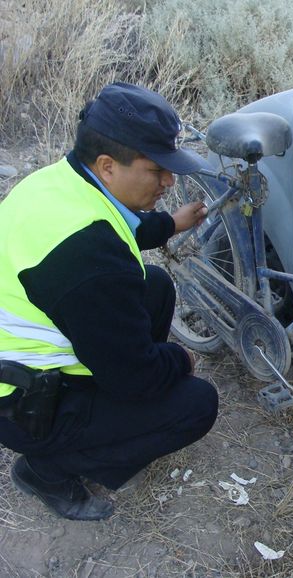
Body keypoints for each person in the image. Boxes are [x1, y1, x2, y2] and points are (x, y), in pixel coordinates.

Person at [0, 82, 219, 521]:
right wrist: (178, 360)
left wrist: (169, 225)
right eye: (156, 169)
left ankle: (115, 414)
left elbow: (118, 228)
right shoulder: (89, 261)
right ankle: (46, 469)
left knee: (154, 285)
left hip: (25, 359)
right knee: (197, 403)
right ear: (107, 165)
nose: (169, 180)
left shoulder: (57, 183)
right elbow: (136, 377)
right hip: (25, 403)